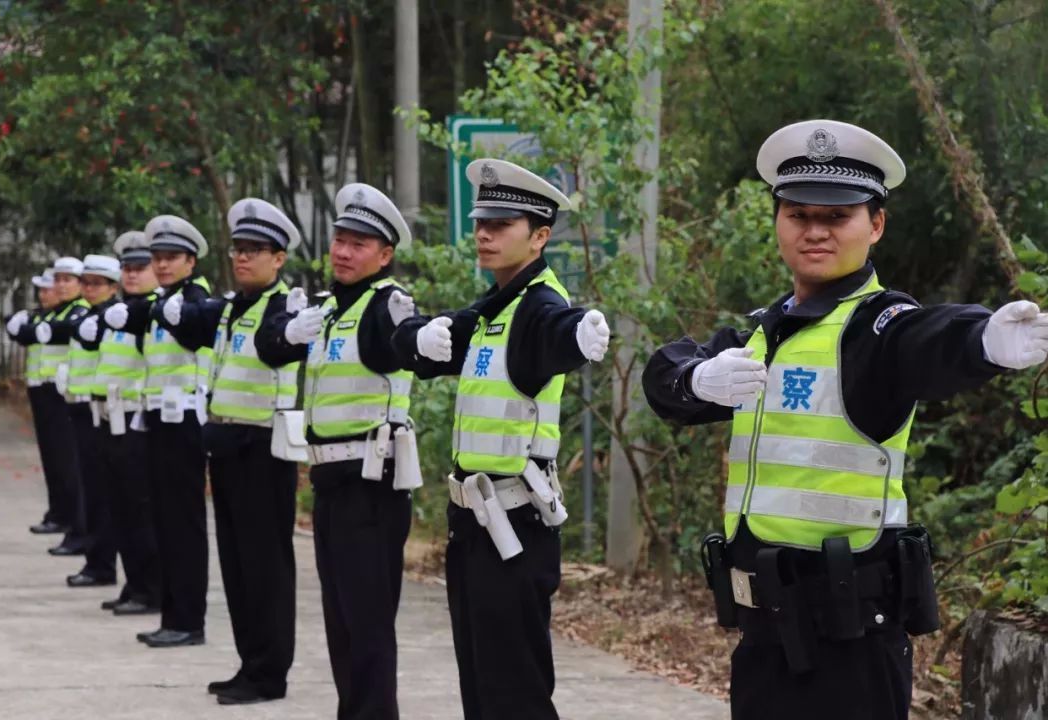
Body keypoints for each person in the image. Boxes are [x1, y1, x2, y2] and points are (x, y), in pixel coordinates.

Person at [642, 119, 1048, 720]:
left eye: (837, 218)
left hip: (850, 643)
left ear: (875, 224)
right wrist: (696, 379)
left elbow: (928, 339)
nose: (815, 232)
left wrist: (982, 341)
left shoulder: (878, 327)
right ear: (777, 221)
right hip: (762, 637)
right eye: (798, 215)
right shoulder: (761, 332)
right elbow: (665, 376)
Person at [391, 159, 611, 720]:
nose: (484, 234)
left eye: (502, 224)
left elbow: (558, 334)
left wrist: (581, 336)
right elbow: (428, 341)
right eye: (481, 223)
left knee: (514, 691)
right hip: (476, 526)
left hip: (515, 525)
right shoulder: (497, 306)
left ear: (540, 236)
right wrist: (421, 334)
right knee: (483, 686)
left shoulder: (539, 306)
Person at [277, 182, 420, 719]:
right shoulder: (331, 308)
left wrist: (419, 337)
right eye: (340, 237)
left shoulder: (387, 305)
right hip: (331, 485)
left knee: (367, 622)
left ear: (384, 255)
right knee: (340, 620)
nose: (342, 249)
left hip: (371, 484)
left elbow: (399, 340)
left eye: (359, 243)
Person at [160, 198, 306, 704]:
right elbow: (184, 319)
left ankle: (270, 674)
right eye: (238, 249)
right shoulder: (229, 308)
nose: (242, 258)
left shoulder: (288, 308)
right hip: (226, 448)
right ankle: (250, 663)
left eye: (255, 250)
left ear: (279, 257)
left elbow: (274, 345)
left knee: (265, 568)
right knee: (238, 568)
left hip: (264, 451)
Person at [105, 214, 213, 648]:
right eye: (158, 258)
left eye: (172, 258)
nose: (163, 265)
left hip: (186, 424)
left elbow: (195, 326)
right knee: (165, 523)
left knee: (184, 525)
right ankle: (173, 614)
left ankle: (188, 619)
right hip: (157, 422)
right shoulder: (159, 303)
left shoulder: (195, 300)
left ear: (191, 262)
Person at [84, 232, 162, 616]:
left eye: (139, 268)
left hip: (136, 420)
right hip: (109, 418)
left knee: (140, 509)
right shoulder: (118, 311)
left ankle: (150, 588)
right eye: (127, 269)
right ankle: (134, 584)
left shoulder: (155, 311)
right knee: (121, 509)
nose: (132, 275)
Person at [59, 254, 123, 588]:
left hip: (104, 412)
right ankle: (96, 561)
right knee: (93, 490)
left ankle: (102, 564)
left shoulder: (116, 317)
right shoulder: (90, 315)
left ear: (113, 287)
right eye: (86, 283)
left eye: (97, 284)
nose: (89, 288)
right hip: (84, 409)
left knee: (102, 493)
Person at [31, 257, 91, 557]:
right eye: (59, 279)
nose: (60, 285)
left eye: (68, 279)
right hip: (60, 395)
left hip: (78, 400)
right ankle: (68, 522)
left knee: (73, 468)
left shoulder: (81, 312)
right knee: (61, 464)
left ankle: (77, 528)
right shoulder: (60, 312)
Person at [6, 269, 65, 535]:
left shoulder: (68, 316)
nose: (44, 294)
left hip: (60, 394)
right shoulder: (44, 316)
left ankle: (68, 516)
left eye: (49, 289)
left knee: (65, 461)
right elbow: (23, 335)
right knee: (52, 458)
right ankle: (57, 512)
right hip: (40, 391)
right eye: (40, 290)